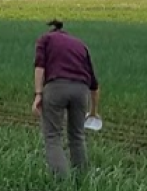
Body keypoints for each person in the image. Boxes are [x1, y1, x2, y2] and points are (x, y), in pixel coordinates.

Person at [32, 19, 101, 179]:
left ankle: (61, 183)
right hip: (81, 90)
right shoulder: (80, 45)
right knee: (77, 136)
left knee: (53, 136)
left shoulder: (45, 39)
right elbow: (95, 85)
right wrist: (93, 111)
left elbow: (40, 66)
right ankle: (82, 181)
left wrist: (38, 94)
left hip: (56, 87)